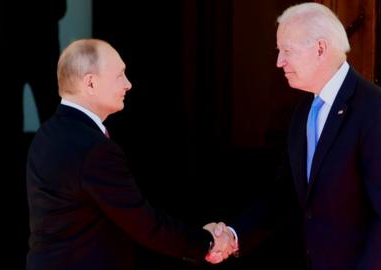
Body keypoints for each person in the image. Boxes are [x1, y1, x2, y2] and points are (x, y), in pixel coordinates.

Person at [209, 3, 381, 269]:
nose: (279, 62)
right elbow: (286, 193)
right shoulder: (304, 111)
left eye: (287, 51)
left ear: (320, 49)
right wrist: (234, 234)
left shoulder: (376, 112)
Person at [26, 38, 235, 270]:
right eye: (120, 75)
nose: (128, 84)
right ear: (91, 83)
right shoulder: (93, 148)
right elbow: (143, 224)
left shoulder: (46, 134)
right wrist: (206, 241)